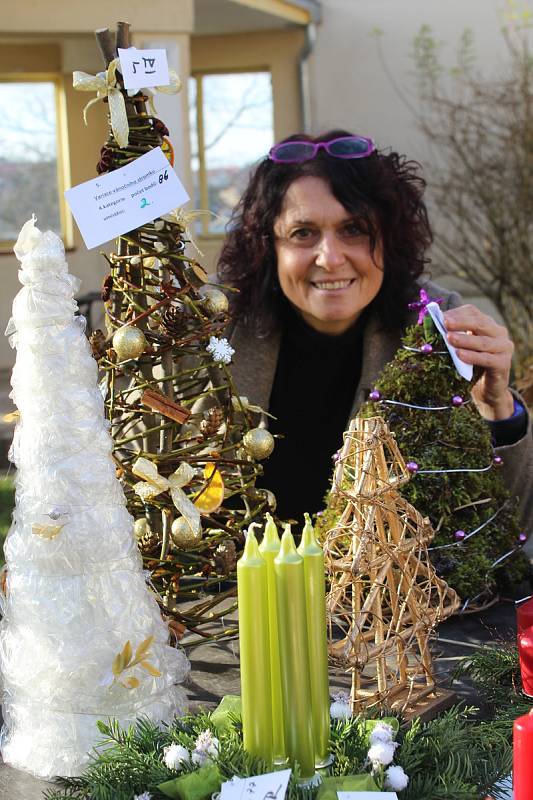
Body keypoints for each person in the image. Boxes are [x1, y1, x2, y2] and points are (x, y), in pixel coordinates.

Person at [217, 130, 533, 535]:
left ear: (389, 239)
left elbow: (511, 531)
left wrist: (498, 410)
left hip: (395, 596)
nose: (330, 258)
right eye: (303, 233)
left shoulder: (437, 330)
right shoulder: (215, 330)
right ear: (268, 246)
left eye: (354, 230)